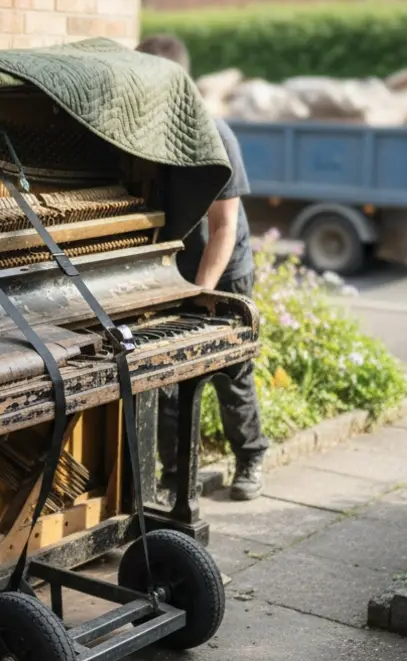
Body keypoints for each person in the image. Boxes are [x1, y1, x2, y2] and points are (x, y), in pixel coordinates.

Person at [135, 34, 270, 502]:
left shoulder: (215, 135)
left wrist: (202, 293)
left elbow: (224, 227)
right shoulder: (148, 131)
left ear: (175, 81)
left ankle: (250, 456)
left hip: (223, 269)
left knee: (232, 374)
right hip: (175, 270)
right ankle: (176, 476)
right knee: (170, 381)